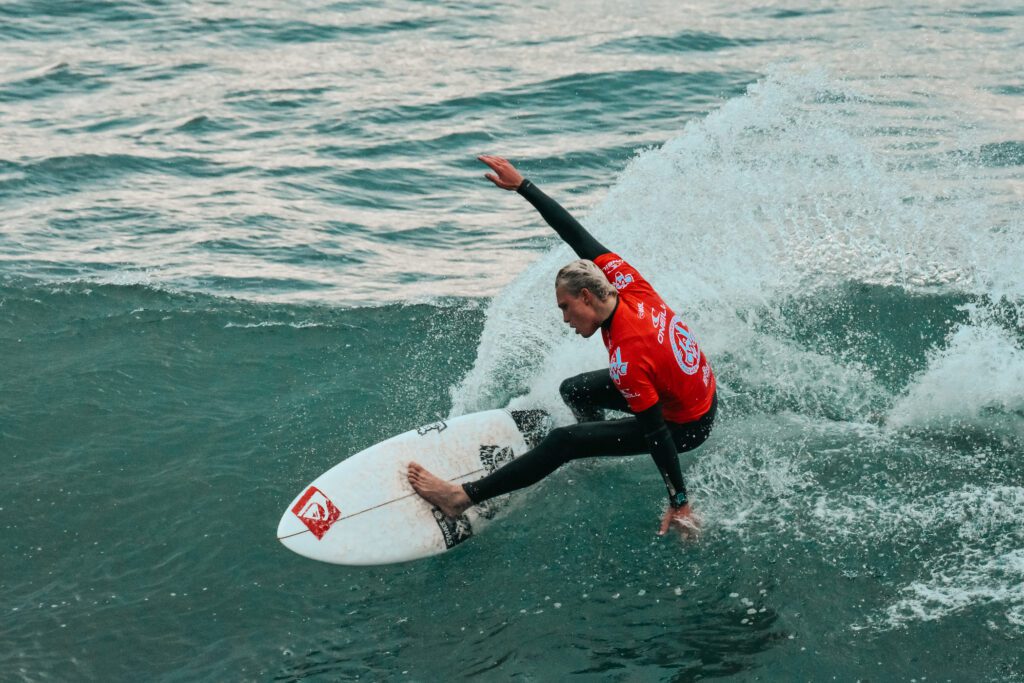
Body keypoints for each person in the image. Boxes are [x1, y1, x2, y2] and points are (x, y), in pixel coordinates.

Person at [408, 155, 717, 536]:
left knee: (564, 440)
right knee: (574, 390)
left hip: (686, 424)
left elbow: (657, 435)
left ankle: (462, 497)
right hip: (691, 388)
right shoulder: (626, 283)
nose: (565, 319)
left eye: (566, 308)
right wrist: (523, 187)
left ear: (586, 297)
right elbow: (578, 237)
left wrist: (679, 501)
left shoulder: (630, 356)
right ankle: (593, 451)